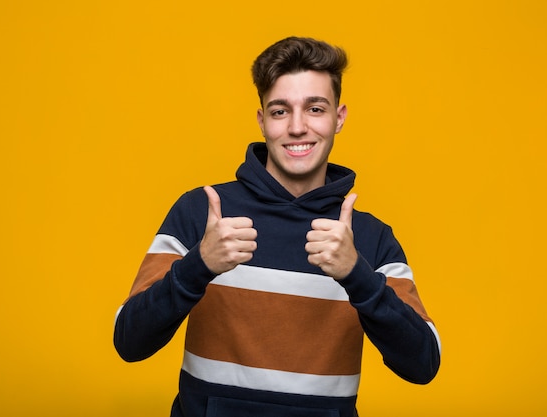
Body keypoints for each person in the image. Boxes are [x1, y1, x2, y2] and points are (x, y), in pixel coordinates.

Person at [114, 36, 441, 417]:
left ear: (339, 118)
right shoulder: (202, 214)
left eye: (315, 109)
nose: (298, 127)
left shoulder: (367, 238)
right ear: (262, 121)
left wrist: (357, 275)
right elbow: (129, 342)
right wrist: (198, 265)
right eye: (281, 111)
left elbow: (423, 364)